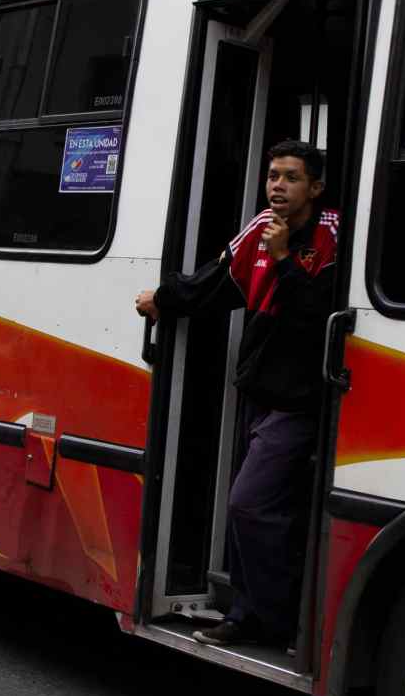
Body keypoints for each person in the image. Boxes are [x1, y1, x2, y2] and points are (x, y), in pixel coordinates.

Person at [135, 140, 338, 647]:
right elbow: (213, 284)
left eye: (291, 178)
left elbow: (316, 316)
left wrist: (286, 257)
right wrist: (162, 298)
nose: (278, 186)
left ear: (315, 187)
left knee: (250, 504)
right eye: (272, 176)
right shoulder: (260, 229)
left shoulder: (329, 237)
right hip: (258, 391)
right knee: (256, 510)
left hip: (300, 400)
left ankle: (277, 620)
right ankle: (248, 614)